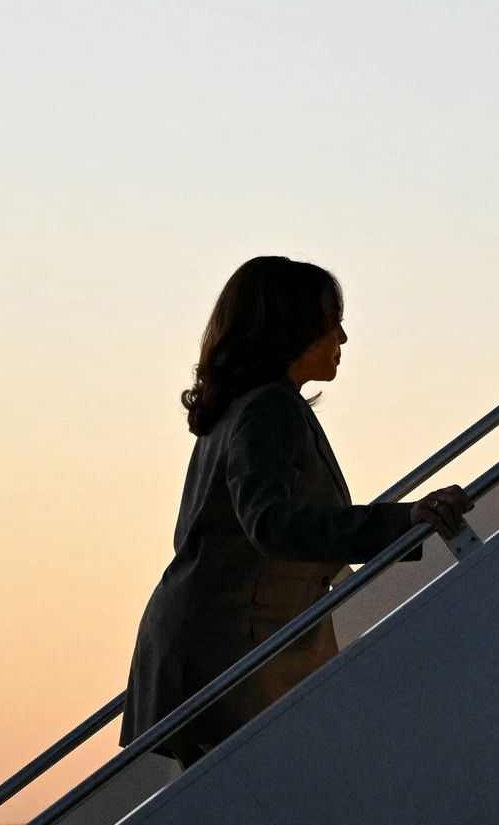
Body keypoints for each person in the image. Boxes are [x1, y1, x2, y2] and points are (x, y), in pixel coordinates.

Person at [118, 256, 473, 769]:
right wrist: (404, 520)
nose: (343, 338)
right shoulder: (268, 408)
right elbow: (272, 523)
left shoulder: (248, 406)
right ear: (293, 328)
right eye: (332, 322)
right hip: (236, 650)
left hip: (216, 644)